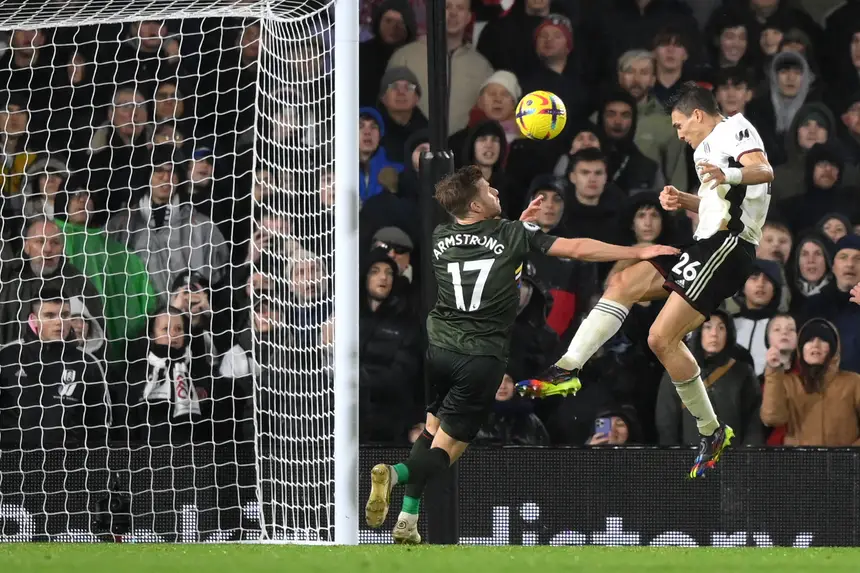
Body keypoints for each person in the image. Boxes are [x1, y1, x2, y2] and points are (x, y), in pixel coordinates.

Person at [363, 165, 678, 543]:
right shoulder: (513, 233)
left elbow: (484, 242)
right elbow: (577, 249)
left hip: (441, 350)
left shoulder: (441, 235)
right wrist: (639, 250)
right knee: (449, 449)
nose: (496, 190)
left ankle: (408, 520)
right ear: (477, 204)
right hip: (480, 359)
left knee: (432, 428)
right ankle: (395, 473)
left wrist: (516, 227)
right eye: (488, 189)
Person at [524, 82, 775, 478]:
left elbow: (764, 170)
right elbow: (725, 198)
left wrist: (726, 171)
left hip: (728, 248)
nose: (678, 134)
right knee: (622, 285)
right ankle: (567, 369)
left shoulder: (733, 129)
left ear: (697, 115)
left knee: (660, 338)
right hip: (706, 244)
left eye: (678, 125)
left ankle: (711, 431)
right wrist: (687, 202)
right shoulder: (705, 150)